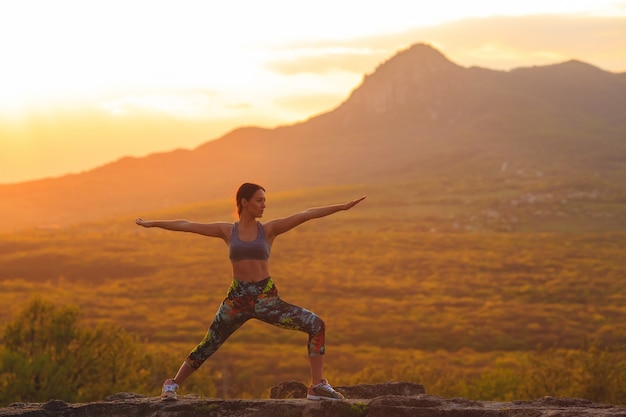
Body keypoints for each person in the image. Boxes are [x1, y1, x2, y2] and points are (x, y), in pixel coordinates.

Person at [135, 183, 366, 401]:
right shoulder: (227, 230)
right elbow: (187, 224)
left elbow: (306, 213)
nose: (264, 205)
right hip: (237, 301)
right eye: (259, 200)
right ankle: (172, 384)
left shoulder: (269, 229)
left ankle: (317, 386)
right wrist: (154, 223)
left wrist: (341, 207)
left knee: (316, 325)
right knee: (210, 343)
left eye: (265, 200)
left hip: (268, 300)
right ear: (244, 202)